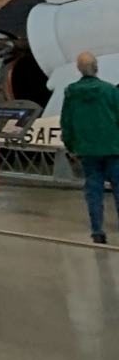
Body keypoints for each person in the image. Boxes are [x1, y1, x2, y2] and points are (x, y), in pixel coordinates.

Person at [60, 51, 119, 243]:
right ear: (96, 67)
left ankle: (97, 230)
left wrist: (71, 147)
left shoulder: (71, 92)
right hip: (113, 148)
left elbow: (66, 122)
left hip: (86, 150)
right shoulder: (110, 90)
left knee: (93, 191)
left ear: (79, 69)